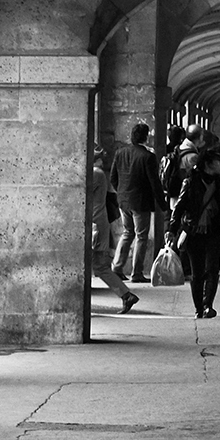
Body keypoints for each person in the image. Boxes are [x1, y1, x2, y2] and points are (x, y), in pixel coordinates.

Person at [166, 149, 220, 319]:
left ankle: (208, 304)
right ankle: (199, 309)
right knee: (197, 272)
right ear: (208, 164)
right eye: (218, 162)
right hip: (194, 232)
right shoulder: (191, 182)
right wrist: (172, 230)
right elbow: (179, 207)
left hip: (215, 231)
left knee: (213, 268)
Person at [111, 122, 167, 283]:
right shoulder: (148, 157)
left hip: (123, 200)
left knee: (127, 233)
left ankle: (117, 267)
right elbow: (154, 183)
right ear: (146, 136)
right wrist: (162, 205)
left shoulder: (120, 153)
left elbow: (113, 178)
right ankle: (136, 272)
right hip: (141, 202)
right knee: (141, 236)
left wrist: (122, 191)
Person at [91, 148, 140, 313]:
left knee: (100, 266)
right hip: (96, 223)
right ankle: (126, 295)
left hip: (95, 225)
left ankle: (126, 295)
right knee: (99, 266)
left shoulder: (95, 173)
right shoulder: (98, 173)